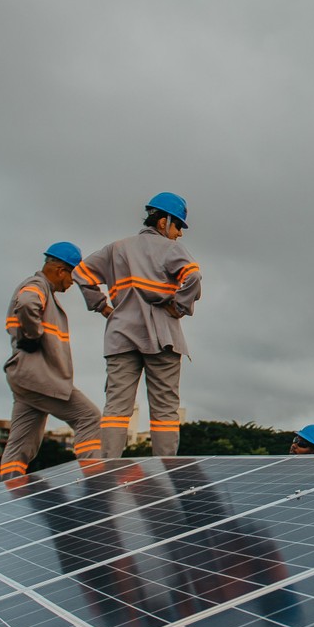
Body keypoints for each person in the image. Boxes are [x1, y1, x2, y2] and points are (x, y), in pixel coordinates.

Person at [74, 191, 202, 457]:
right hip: (161, 335)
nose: (179, 233)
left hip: (121, 335)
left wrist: (103, 307)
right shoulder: (171, 248)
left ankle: (108, 467)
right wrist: (178, 306)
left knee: (116, 409)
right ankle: (165, 467)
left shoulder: (116, 248)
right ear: (164, 221)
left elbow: (81, 273)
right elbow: (194, 277)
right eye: (178, 225)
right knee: (165, 408)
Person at [0, 241, 102, 480]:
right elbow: (27, 303)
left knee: (21, 442)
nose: (70, 285)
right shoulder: (37, 285)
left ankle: (8, 490)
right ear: (60, 271)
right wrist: (32, 334)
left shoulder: (39, 287)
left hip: (24, 378)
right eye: (71, 278)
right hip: (39, 376)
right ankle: (97, 480)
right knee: (88, 417)